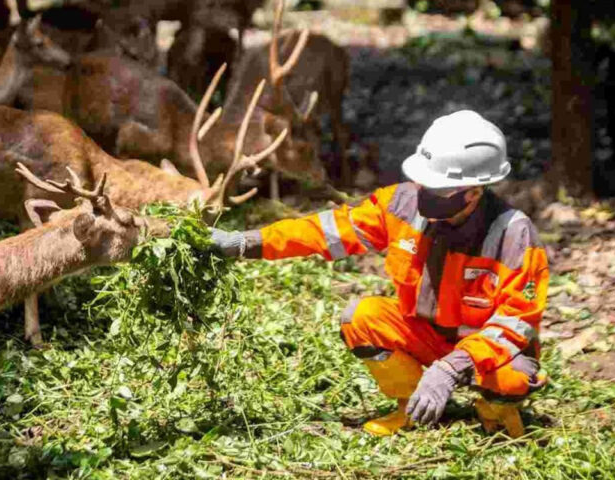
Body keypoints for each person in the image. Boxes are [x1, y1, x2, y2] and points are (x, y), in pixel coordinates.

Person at [210, 110, 549, 437]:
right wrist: (246, 242)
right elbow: (325, 231)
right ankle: (412, 407)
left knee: (511, 379)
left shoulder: (513, 235)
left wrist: (452, 368)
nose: (423, 195)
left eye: (437, 190)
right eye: (423, 183)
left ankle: (492, 413)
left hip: (484, 351)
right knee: (360, 318)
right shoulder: (399, 204)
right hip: (425, 334)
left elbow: (514, 325)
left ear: (474, 191)